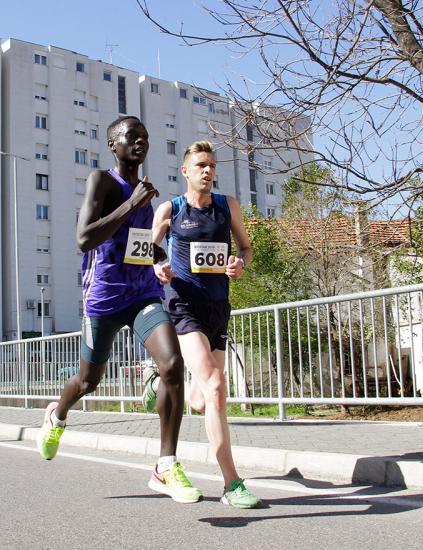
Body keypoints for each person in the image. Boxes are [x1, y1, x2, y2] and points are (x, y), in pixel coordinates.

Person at [36, 115, 202, 504]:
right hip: (104, 299)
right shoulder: (103, 181)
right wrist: (132, 203)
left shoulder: (147, 192)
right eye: (132, 137)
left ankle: (165, 465)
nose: (140, 142)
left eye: (145, 136)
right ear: (114, 144)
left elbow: (136, 243)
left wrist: (160, 256)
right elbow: (83, 238)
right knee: (88, 382)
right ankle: (58, 415)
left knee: (173, 364)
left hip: (142, 294)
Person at [143, 140, 260, 508]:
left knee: (200, 397)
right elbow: (144, 248)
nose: (208, 171)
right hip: (183, 304)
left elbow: (246, 247)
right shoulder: (172, 208)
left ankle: (161, 385)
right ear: (186, 171)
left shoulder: (228, 206)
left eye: (211, 165)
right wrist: (157, 266)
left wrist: (240, 263)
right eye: (201, 166)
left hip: (217, 307)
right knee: (215, 385)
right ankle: (232, 483)